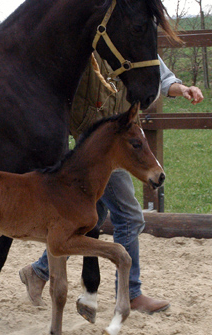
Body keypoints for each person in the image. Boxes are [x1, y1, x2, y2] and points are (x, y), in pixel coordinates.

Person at [19, 53, 204, 316]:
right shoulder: (92, 45)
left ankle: (38, 271)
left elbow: (161, 76)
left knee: (98, 215)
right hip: (102, 146)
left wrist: (183, 88)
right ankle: (131, 294)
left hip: (120, 138)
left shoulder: (135, 40)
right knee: (129, 216)